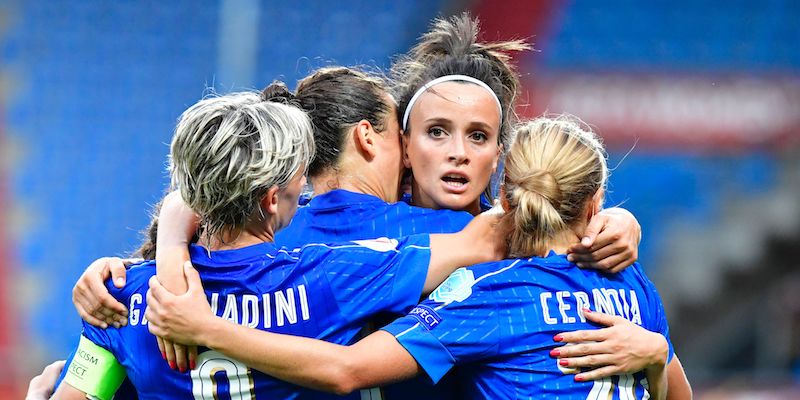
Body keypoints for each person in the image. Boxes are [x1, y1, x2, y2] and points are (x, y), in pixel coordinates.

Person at [57, 13, 645, 398]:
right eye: (435, 132)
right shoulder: (428, 251)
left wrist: (156, 257)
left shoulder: (260, 239)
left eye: (479, 137)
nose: (459, 155)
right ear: (395, 145)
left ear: (502, 152)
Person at [145, 115, 692, 399]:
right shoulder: (632, 279)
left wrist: (206, 325)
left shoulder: (490, 295)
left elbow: (346, 370)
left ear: (503, 195)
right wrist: (656, 352)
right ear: (598, 202)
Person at [46, 88, 510, 400]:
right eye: (298, 177)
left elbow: (79, 389)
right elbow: (486, 240)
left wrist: (169, 242)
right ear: (272, 200)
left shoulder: (123, 293)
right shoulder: (329, 276)